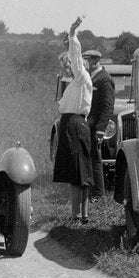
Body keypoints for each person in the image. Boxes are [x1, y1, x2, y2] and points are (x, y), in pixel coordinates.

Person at [52, 17, 93, 223]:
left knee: (79, 173)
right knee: (77, 173)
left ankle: (78, 215)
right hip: (72, 124)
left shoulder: (81, 76)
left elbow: (76, 57)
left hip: (75, 125)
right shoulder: (75, 83)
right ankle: (80, 214)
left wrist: (72, 34)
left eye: (66, 63)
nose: (65, 68)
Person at [83, 49, 115, 202]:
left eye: (87, 61)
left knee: (95, 159)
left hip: (95, 126)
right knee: (89, 158)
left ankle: (98, 193)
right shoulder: (91, 77)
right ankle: (91, 191)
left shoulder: (104, 79)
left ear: (94, 61)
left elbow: (108, 107)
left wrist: (101, 129)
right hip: (87, 124)